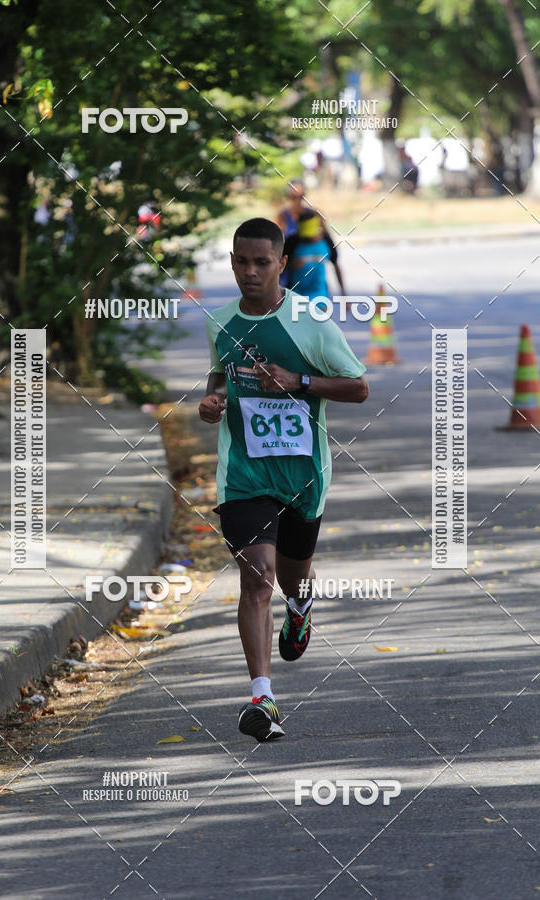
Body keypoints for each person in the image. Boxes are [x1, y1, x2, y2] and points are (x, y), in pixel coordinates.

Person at [198, 217, 368, 742]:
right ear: (231, 263)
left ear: (282, 264)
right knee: (257, 576)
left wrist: (301, 381)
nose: (250, 272)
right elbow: (220, 372)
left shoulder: (311, 321)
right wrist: (212, 400)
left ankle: (300, 607)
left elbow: (359, 387)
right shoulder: (220, 322)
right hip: (244, 475)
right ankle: (262, 699)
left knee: (294, 577)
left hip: (302, 475)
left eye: (262, 262)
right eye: (241, 262)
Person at [284, 209, 346, 298]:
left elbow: (336, 265)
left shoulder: (327, 241)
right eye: (305, 237)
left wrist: (344, 294)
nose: (309, 239)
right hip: (295, 295)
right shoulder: (292, 242)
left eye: (311, 235)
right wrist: (291, 265)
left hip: (320, 296)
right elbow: (279, 266)